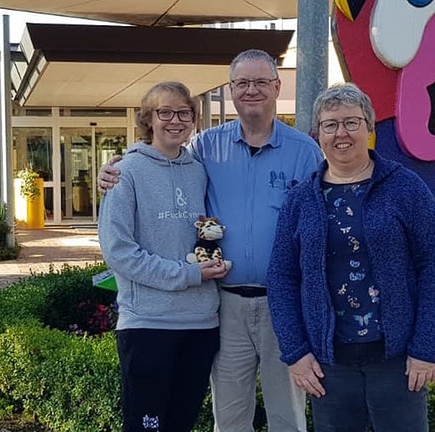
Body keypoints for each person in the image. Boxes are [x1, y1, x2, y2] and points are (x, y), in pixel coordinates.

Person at [99, 50, 323, 431]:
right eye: (242, 83)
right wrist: (116, 170)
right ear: (231, 90)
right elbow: (160, 159)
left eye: (260, 82)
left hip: (281, 306)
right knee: (230, 418)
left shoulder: (305, 152)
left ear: (276, 87)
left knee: (287, 416)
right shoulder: (205, 148)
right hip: (225, 306)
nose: (251, 90)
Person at [266, 82, 435, 432]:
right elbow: (281, 277)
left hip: (396, 357)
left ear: (368, 129)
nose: (342, 133)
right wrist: (295, 352)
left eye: (352, 122)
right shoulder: (300, 200)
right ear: (317, 134)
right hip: (329, 361)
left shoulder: (406, 188)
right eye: (330, 124)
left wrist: (427, 347)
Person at [98, 81, 229, 432]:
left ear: (194, 118)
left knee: (181, 425)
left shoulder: (200, 170)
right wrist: (187, 275)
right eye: (165, 112)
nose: (175, 120)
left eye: (183, 112)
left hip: (201, 325)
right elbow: (118, 251)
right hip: (149, 326)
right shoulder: (125, 173)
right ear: (148, 119)